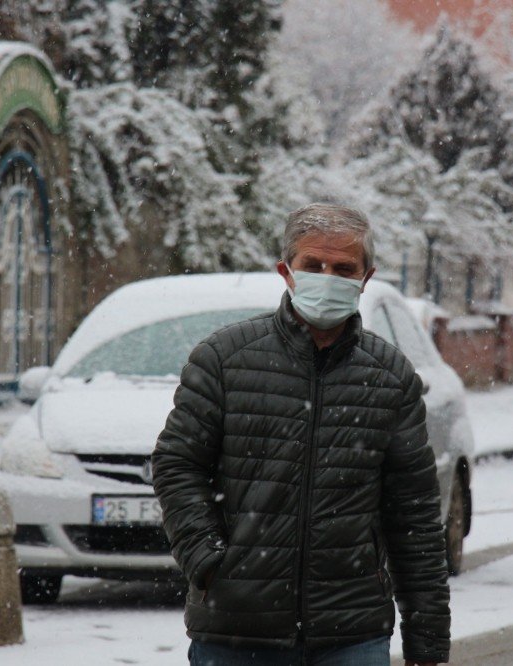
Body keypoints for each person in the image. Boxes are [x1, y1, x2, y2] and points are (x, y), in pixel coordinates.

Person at [151, 202, 451, 665]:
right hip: (235, 629)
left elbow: (413, 514)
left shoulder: (390, 377)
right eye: (314, 265)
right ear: (286, 272)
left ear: (365, 278)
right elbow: (177, 464)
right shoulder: (224, 359)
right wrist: (207, 559)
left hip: (351, 634)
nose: (328, 277)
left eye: (343, 268)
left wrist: (427, 640)